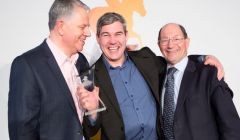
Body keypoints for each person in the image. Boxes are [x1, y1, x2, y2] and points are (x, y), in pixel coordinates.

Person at [82, 12, 224, 140]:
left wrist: (203, 58)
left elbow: (174, 60)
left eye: (118, 34)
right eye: (106, 35)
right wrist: (93, 112)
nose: (113, 41)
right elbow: (89, 132)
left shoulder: (146, 59)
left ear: (126, 35)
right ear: (98, 38)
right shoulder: (89, 78)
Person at [8, 0, 99, 140]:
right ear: (61, 27)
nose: (88, 33)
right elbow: (22, 133)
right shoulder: (27, 66)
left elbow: (87, 129)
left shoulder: (82, 62)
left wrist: (93, 111)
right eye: (83, 27)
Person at [157, 23, 240, 140]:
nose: (170, 45)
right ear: (159, 45)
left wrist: (204, 58)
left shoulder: (209, 74)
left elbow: (232, 127)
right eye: (165, 40)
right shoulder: (156, 75)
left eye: (176, 39)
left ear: (187, 42)